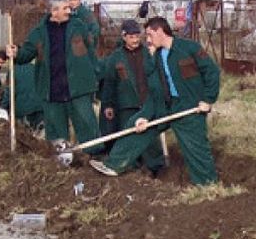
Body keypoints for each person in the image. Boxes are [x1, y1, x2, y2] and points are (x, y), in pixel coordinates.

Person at [92, 16, 220, 185]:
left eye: (149, 35)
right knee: (135, 126)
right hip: (165, 106)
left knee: (195, 148)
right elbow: (154, 90)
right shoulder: (157, 57)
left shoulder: (189, 48)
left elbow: (212, 72)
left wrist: (208, 99)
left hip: (190, 108)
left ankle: (208, 185)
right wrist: (145, 115)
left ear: (159, 31)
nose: (148, 40)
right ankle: (114, 165)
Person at [7, 0, 101, 149]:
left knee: (88, 129)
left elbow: (91, 52)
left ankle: (93, 159)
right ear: (53, 11)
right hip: (52, 90)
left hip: (78, 88)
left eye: (68, 7)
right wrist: (16, 53)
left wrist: (95, 74)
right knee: (56, 137)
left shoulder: (78, 27)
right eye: (64, 8)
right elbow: (27, 53)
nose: (69, 11)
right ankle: (60, 164)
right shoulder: (39, 32)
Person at [97, 19, 164, 175]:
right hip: (126, 104)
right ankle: (132, 168)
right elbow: (109, 83)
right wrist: (108, 105)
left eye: (137, 36)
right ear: (124, 36)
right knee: (128, 135)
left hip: (148, 101)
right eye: (131, 36)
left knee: (151, 137)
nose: (135, 40)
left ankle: (156, 166)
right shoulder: (115, 58)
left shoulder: (149, 53)